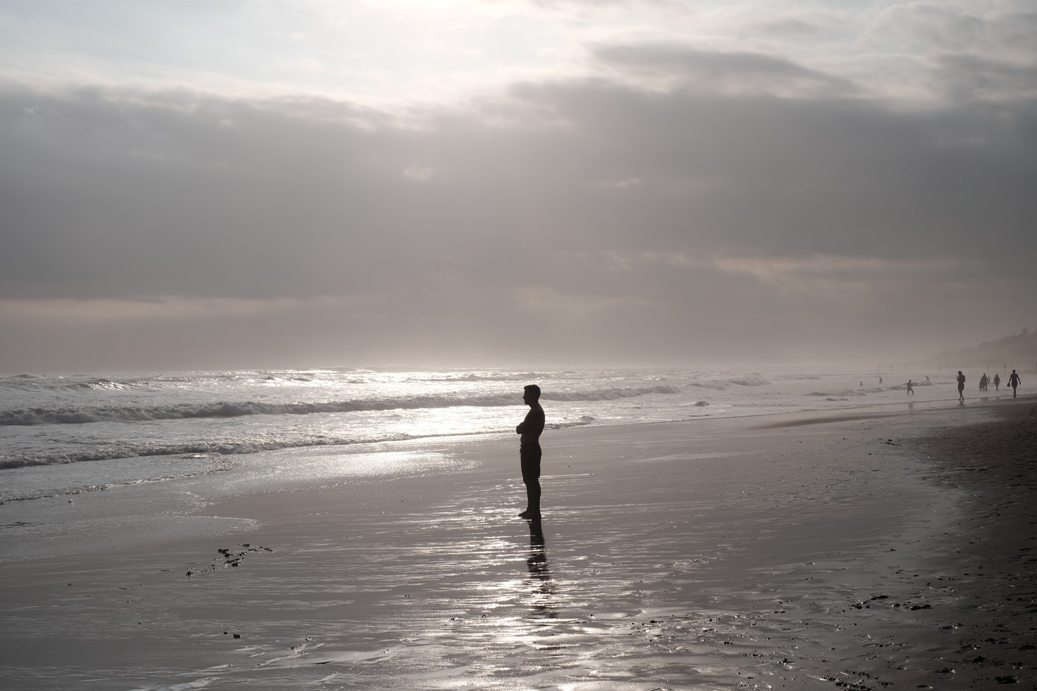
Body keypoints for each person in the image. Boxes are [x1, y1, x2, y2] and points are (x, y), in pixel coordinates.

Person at [516, 384, 545, 519]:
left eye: (526, 394)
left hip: (531, 448)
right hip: (530, 448)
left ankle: (535, 510)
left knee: (531, 480)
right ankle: (531, 508)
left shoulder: (535, 412)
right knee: (529, 480)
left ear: (533, 396)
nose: (524, 397)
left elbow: (520, 429)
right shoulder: (536, 411)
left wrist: (520, 426)